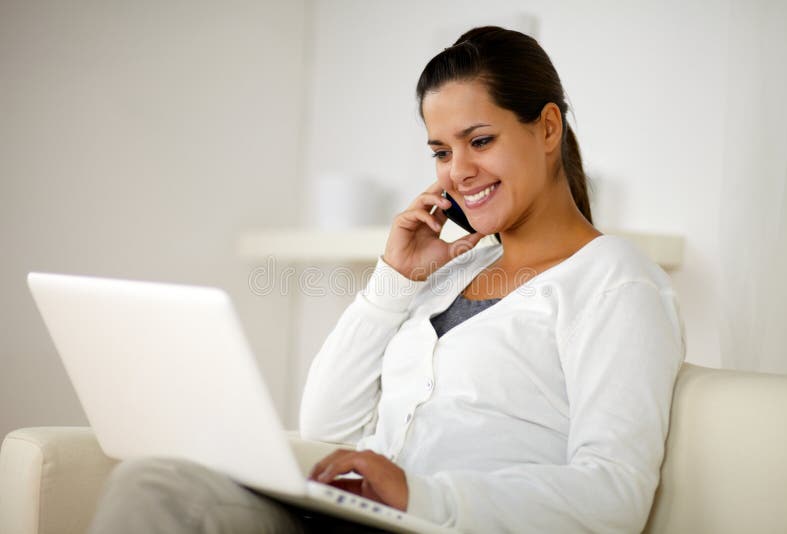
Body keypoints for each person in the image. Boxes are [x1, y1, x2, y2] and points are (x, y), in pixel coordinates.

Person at [89, 26, 685, 534]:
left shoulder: (617, 281)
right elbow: (328, 425)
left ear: (547, 129)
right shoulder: (457, 268)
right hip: (352, 515)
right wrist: (394, 279)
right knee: (154, 479)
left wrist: (419, 496)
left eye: (480, 141)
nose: (459, 172)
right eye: (440, 151)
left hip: (435, 524)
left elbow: (614, 494)